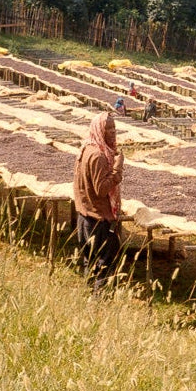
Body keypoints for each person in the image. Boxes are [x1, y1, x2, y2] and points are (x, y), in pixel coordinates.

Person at [73, 112, 124, 291]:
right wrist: (118, 169)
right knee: (104, 267)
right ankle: (100, 302)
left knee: (91, 263)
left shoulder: (86, 149)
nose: (113, 132)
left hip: (85, 218)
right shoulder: (97, 156)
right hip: (98, 221)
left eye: (114, 128)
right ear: (99, 130)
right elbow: (101, 189)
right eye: (108, 128)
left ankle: (88, 299)